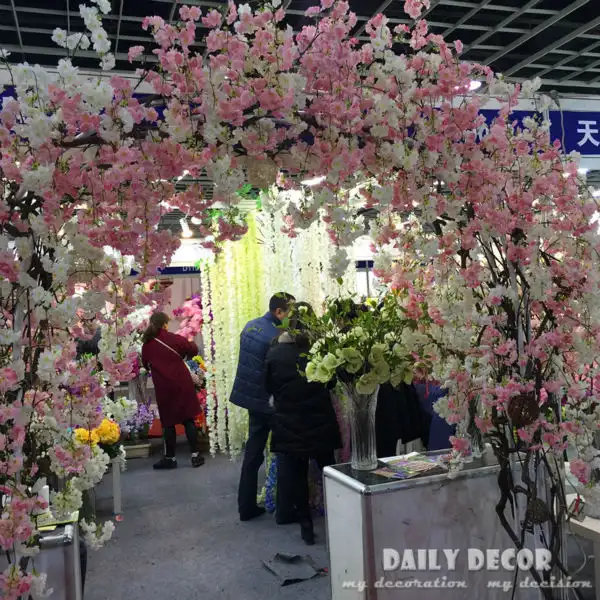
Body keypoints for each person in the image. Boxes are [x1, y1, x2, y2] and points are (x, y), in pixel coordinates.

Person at [266, 303, 341, 545]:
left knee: (298, 478)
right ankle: (340, 521)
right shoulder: (320, 352)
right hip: (320, 420)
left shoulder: (274, 354)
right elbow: (331, 384)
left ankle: (306, 526)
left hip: (289, 424)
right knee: (330, 472)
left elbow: (268, 388)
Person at [230, 292, 295, 521]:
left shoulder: (250, 326)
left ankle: (245, 507)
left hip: (251, 400)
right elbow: (276, 372)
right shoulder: (275, 335)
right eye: (290, 312)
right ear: (279, 312)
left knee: (253, 453)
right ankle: (285, 510)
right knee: (284, 452)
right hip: (269, 402)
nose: (291, 317)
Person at [141, 311, 205, 470]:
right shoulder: (175, 339)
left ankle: (170, 458)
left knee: (168, 423)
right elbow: (193, 349)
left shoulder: (147, 344)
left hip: (164, 387)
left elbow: (145, 364)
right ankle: (195, 455)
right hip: (182, 383)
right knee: (188, 420)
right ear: (165, 324)